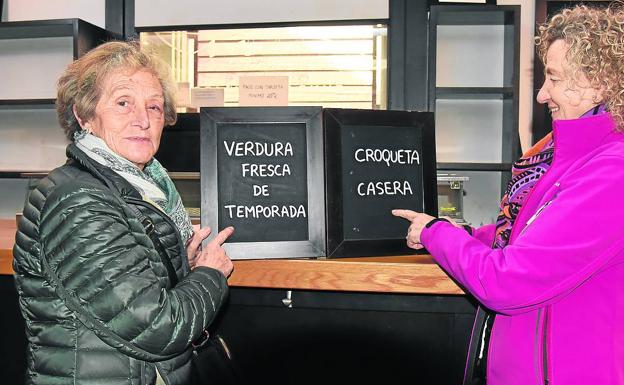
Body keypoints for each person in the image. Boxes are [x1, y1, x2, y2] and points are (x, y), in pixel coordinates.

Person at [393, 4, 624, 385]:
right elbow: (525, 237)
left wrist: (437, 233)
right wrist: (466, 235)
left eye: (553, 77)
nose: (542, 94)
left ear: (599, 83)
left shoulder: (612, 172)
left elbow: (507, 282)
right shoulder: (571, 159)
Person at [13, 41, 234, 385]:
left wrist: (182, 265)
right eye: (123, 103)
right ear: (84, 115)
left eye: (154, 107)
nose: (143, 120)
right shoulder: (78, 201)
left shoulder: (133, 186)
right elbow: (158, 328)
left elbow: (130, 290)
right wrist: (210, 274)